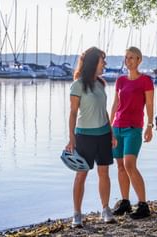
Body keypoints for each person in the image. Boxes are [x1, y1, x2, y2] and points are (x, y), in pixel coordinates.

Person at [65, 47, 115, 228]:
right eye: (103, 61)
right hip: (84, 136)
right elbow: (72, 113)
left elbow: (104, 112)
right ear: (94, 62)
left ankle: (105, 209)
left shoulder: (101, 84)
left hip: (103, 135)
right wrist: (71, 138)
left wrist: (111, 133)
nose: (105, 64)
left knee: (104, 173)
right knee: (81, 175)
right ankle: (77, 214)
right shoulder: (77, 84)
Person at [110, 46, 154, 219]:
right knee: (120, 166)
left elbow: (149, 105)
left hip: (134, 129)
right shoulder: (120, 80)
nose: (128, 60)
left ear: (139, 60)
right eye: (126, 57)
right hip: (117, 127)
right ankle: (125, 202)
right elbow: (115, 104)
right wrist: (109, 125)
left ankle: (143, 205)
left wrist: (150, 125)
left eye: (132, 58)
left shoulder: (146, 81)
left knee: (129, 164)